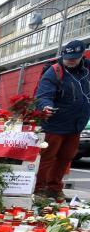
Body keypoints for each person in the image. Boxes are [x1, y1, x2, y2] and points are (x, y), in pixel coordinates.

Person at [34, 39, 90, 201]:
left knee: (66, 157)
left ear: (82, 56)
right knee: (47, 157)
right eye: (68, 57)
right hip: (55, 124)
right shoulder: (54, 71)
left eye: (75, 57)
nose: (71, 60)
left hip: (76, 124)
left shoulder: (86, 70)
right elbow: (43, 95)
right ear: (63, 55)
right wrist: (46, 107)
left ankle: (54, 187)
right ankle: (39, 188)